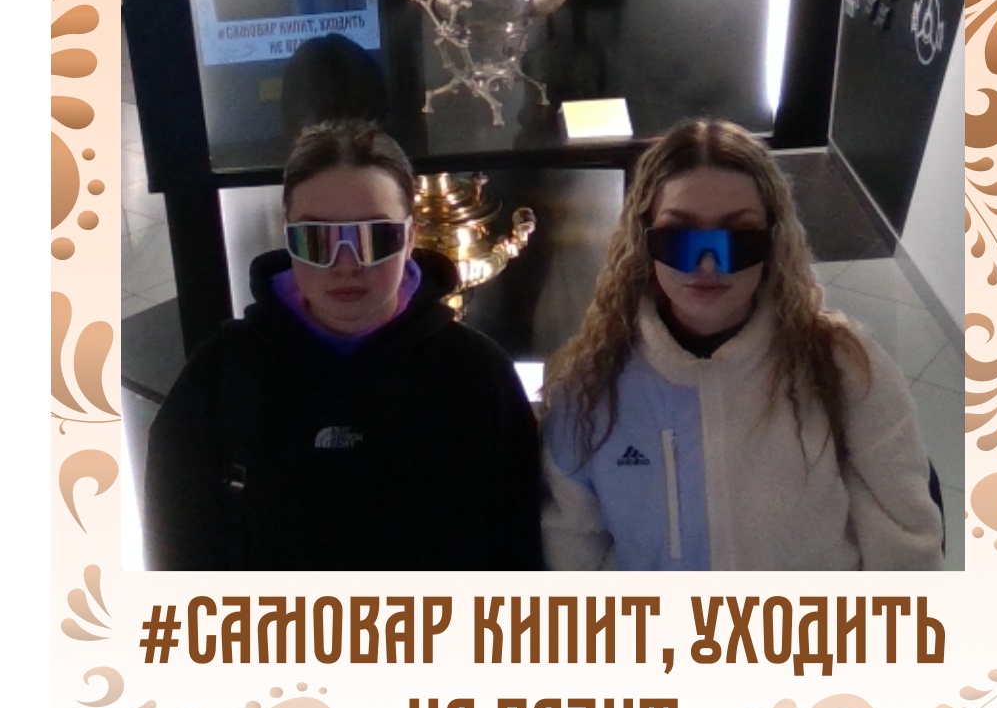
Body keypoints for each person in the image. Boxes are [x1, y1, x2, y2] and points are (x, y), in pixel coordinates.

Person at [541, 119, 944, 572]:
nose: (708, 264)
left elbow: (907, 541)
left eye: (738, 237)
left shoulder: (844, 365)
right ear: (643, 238)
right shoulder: (588, 387)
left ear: (773, 242)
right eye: (679, 236)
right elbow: (572, 549)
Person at [144, 120, 542, 571]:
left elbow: (515, 551)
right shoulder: (220, 376)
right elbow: (176, 555)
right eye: (317, 239)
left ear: (411, 237)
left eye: (376, 237)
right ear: (287, 238)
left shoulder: (478, 377)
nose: (346, 264)